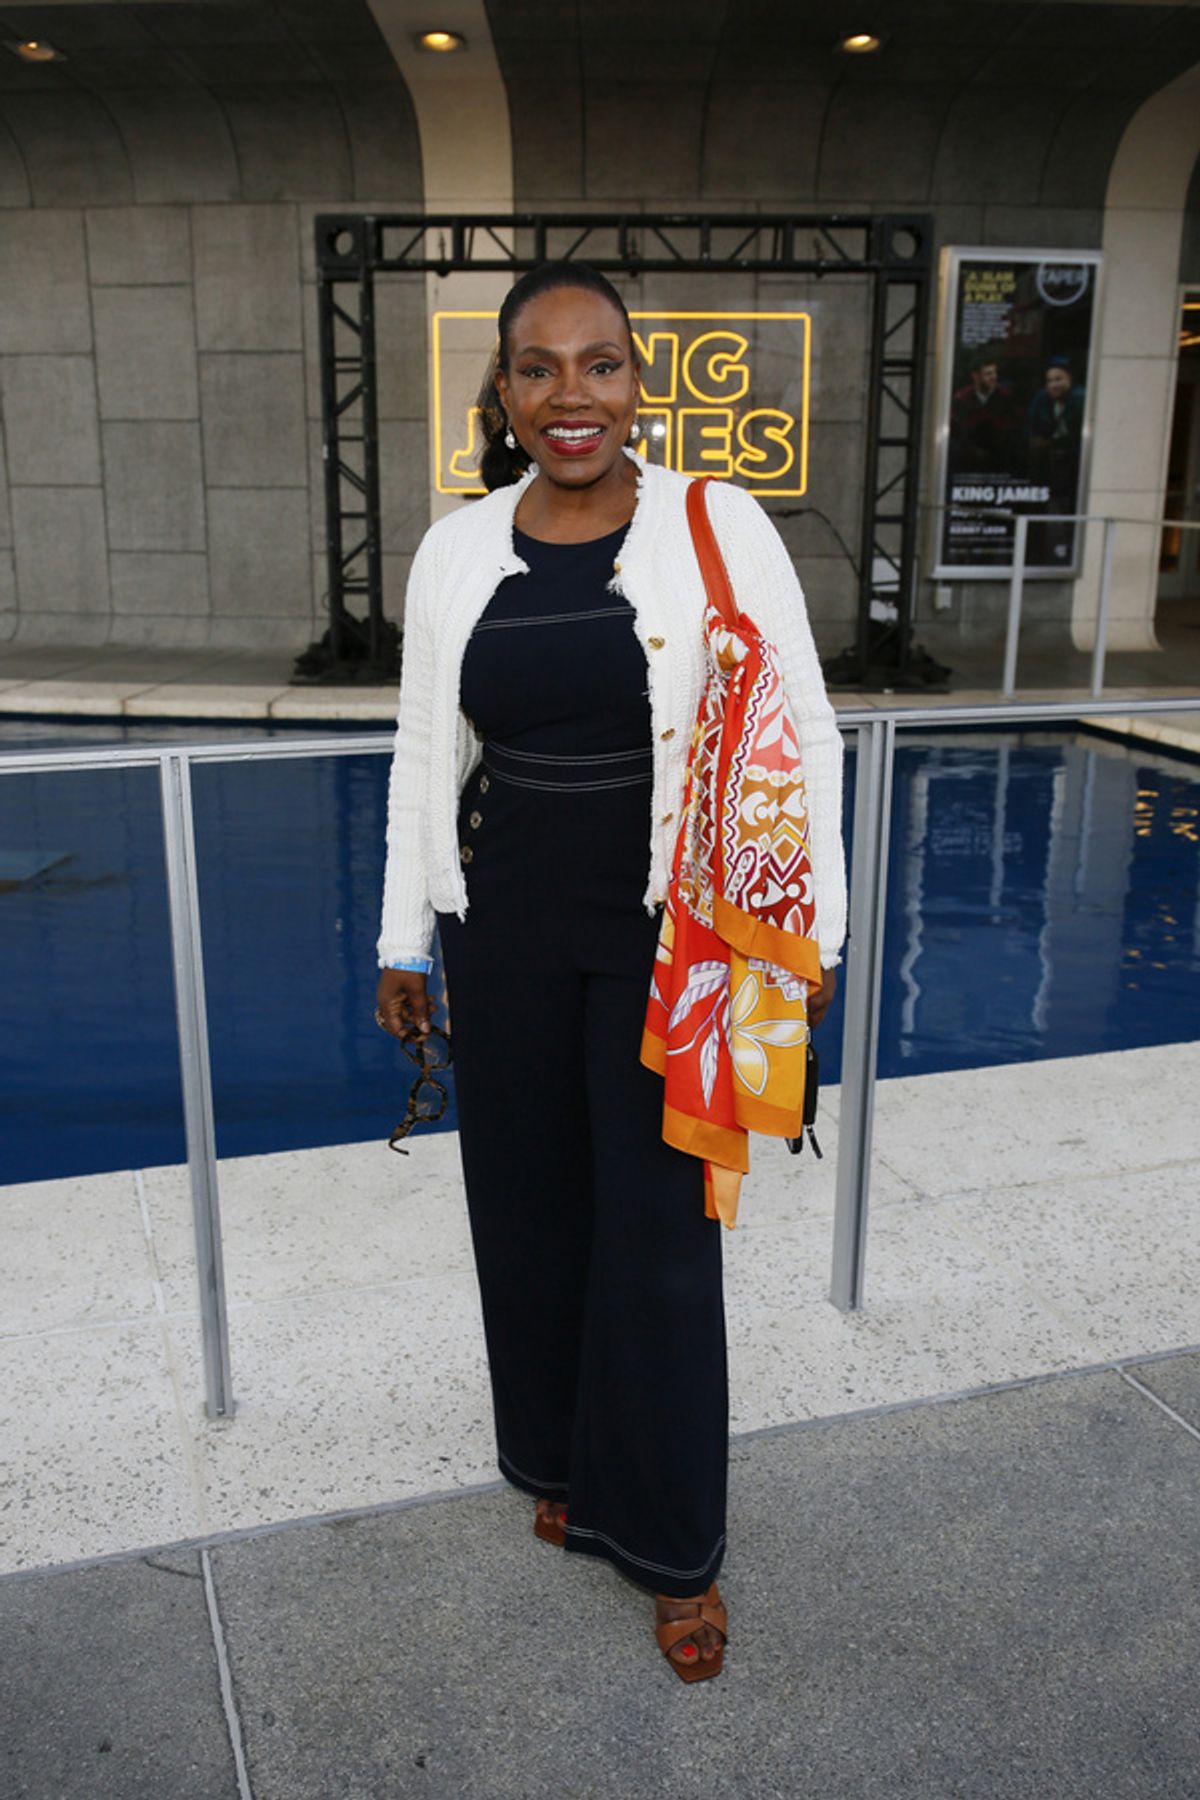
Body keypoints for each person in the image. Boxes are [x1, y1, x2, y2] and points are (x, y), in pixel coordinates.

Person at [374, 262, 847, 1681]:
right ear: (503, 389)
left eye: (600, 365)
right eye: (539, 367)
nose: (570, 395)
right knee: (528, 1210)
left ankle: (676, 1550)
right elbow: (423, 752)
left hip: (676, 938)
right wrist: (404, 936)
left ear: (639, 382)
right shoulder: (457, 550)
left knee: (660, 1238)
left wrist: (811, 934)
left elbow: (804, 728)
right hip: (503, 920)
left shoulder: (716, 520)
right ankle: (562, 1465)